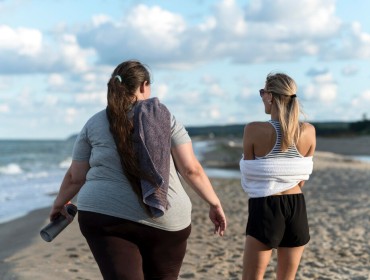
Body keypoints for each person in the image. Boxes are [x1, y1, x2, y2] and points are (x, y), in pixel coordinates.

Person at [49, 60, 227, 280]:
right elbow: (191, 169)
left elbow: (75, 177)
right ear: (144, 86)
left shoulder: (94, 123)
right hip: (166, 221)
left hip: (104, 216)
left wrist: (58, 204)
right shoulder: (165, 119)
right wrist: (214, 203)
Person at [239, 73, 316, 280]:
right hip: (296, 205)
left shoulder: (254, 129)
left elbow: (250, 177)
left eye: (262, 92)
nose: (261, 96)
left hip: (265, 205)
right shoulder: (308, 131)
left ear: (271, 96)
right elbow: (301, 178)